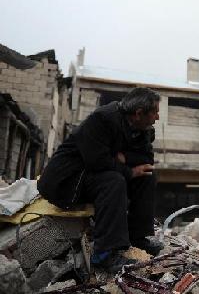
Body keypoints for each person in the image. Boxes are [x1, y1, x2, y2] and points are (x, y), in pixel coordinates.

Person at [37, 87, 162, 273]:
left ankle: (137, 238)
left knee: (147, 177)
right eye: (155, 112)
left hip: (94, 174)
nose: (157, 118)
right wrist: (128, 170)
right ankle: (104, 253)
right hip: (68, 180)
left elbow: (146, 161)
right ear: (138, 113)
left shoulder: (143, 130)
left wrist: (124, 158)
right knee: (114, 181)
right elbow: (96, 161)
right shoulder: (103, 119)